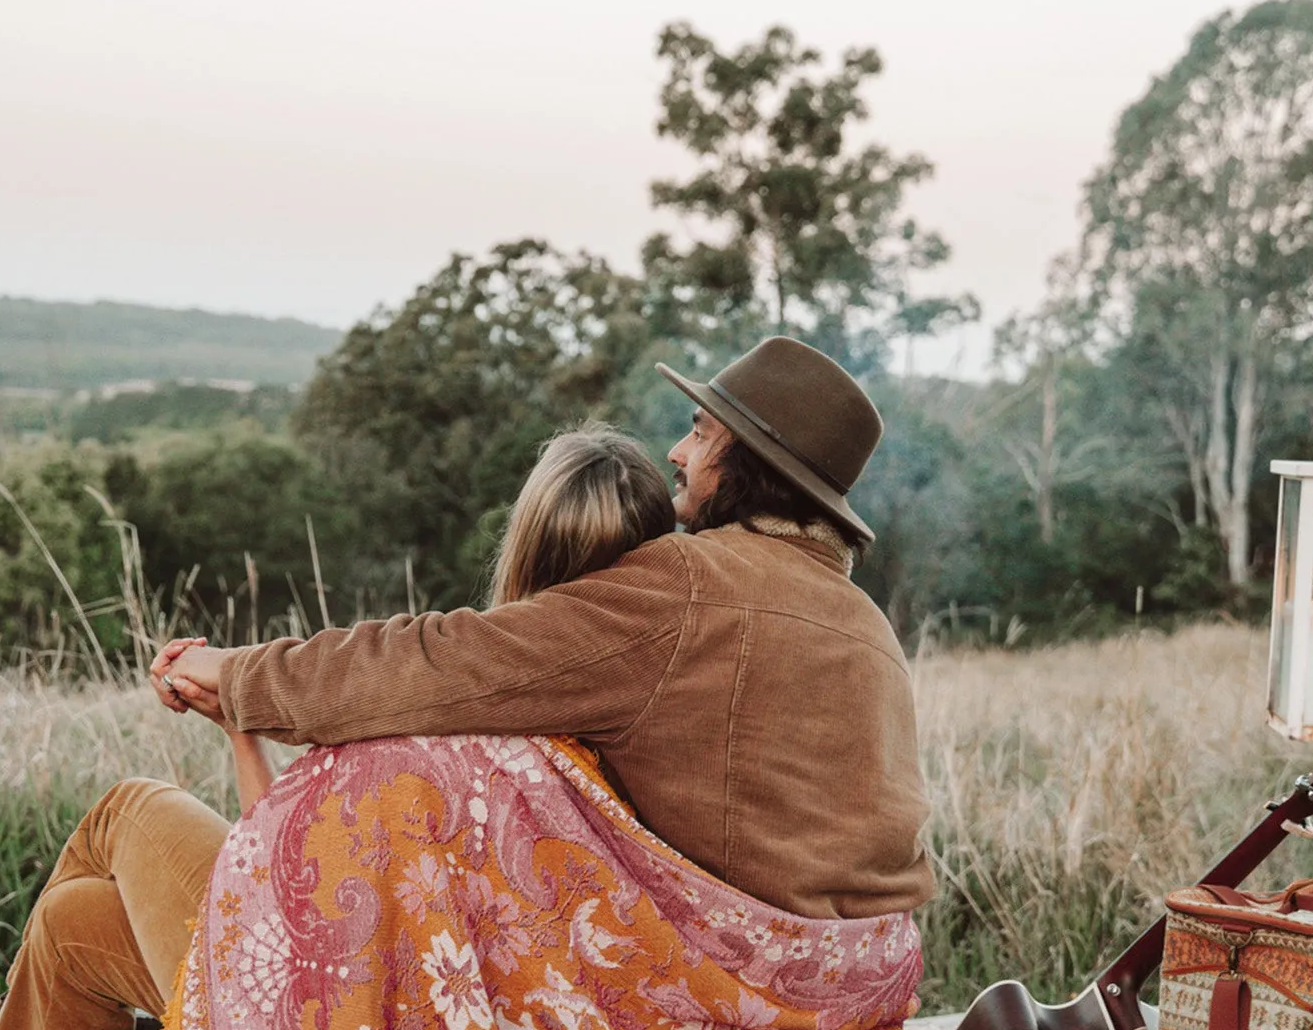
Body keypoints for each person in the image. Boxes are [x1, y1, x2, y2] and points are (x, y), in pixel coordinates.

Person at [0, 425, 678, 1030]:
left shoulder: (457, 697)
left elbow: (280, 872)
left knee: (127, 808)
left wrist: (239, 718)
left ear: (525, 544)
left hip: (315, 1025)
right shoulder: (640, 721)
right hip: (427, 1025)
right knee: (76, 922)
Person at [155, 336, 931, 923]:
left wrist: (239, 674)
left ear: (750, 462)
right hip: (863, 989)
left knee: (117, 838)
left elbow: (444, 660)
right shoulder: (867, 627)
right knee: (76, 913)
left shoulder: (692, 583)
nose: (678, 451)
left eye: (699, 434)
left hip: (741, 981)